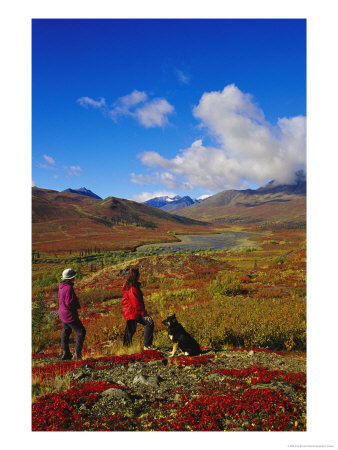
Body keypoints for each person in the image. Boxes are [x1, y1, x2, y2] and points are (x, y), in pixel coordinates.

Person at [122, 267, 156, 350]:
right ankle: (147, 345)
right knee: (149, 322)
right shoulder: (132, 288)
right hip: (133, 312)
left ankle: (125, 349)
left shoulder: (130, 286)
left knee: (130, 330)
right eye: (138, 275)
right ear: (135, 276)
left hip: (131, 312)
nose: (139, 277)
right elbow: (136, 303)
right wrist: (144, 314)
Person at [58, 268, 86, 360]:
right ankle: (77, 355)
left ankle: (66, 353)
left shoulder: (61, 286)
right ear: (71, 278)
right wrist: (77, 305)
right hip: (69, 314)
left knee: (66, 331)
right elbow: (70, 303)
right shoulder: (69, 288)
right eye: (74, 277)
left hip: (62, 313)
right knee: (81, 332)